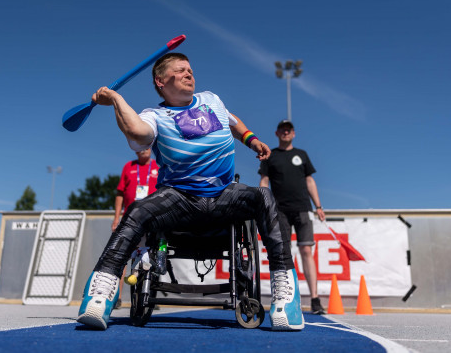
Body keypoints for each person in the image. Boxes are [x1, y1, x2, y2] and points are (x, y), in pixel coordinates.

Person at [77, 52, 304, 331]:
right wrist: (115, 99)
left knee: (265, 197)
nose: (189, 74)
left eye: (191, 70)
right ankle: (101, 293)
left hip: (223, 195)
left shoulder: (212, 99)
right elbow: (138, 134)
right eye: (181, 70)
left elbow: (231, 120)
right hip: (179, 199)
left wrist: (251, 140)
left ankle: (286, 295)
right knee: (137, 209)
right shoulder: (154, 116)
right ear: (161, 81)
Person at [259, 119, 327, 315]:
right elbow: (264, 181)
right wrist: (264, 204)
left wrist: (319, 206)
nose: (286, 133)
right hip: (279, 210)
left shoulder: (301, 155)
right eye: (282, 130)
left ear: (293, 133)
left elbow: (310, 180)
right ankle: (288, 298)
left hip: (303, 208)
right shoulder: (271, 157)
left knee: (306, 250)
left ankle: (314, 299)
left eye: (289, 130)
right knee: (283, 252)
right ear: (277, 133)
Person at [111, 148, 159, 308]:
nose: (143, 150)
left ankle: (150, 295)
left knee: (151, 256)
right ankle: (116, 296)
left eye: (146, 147)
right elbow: (119, 193)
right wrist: (116, 218)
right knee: (123, 256)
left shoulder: (157, 167)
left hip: (151, 219)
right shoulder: (129, 167)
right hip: (129, 218)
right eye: (139, 148)